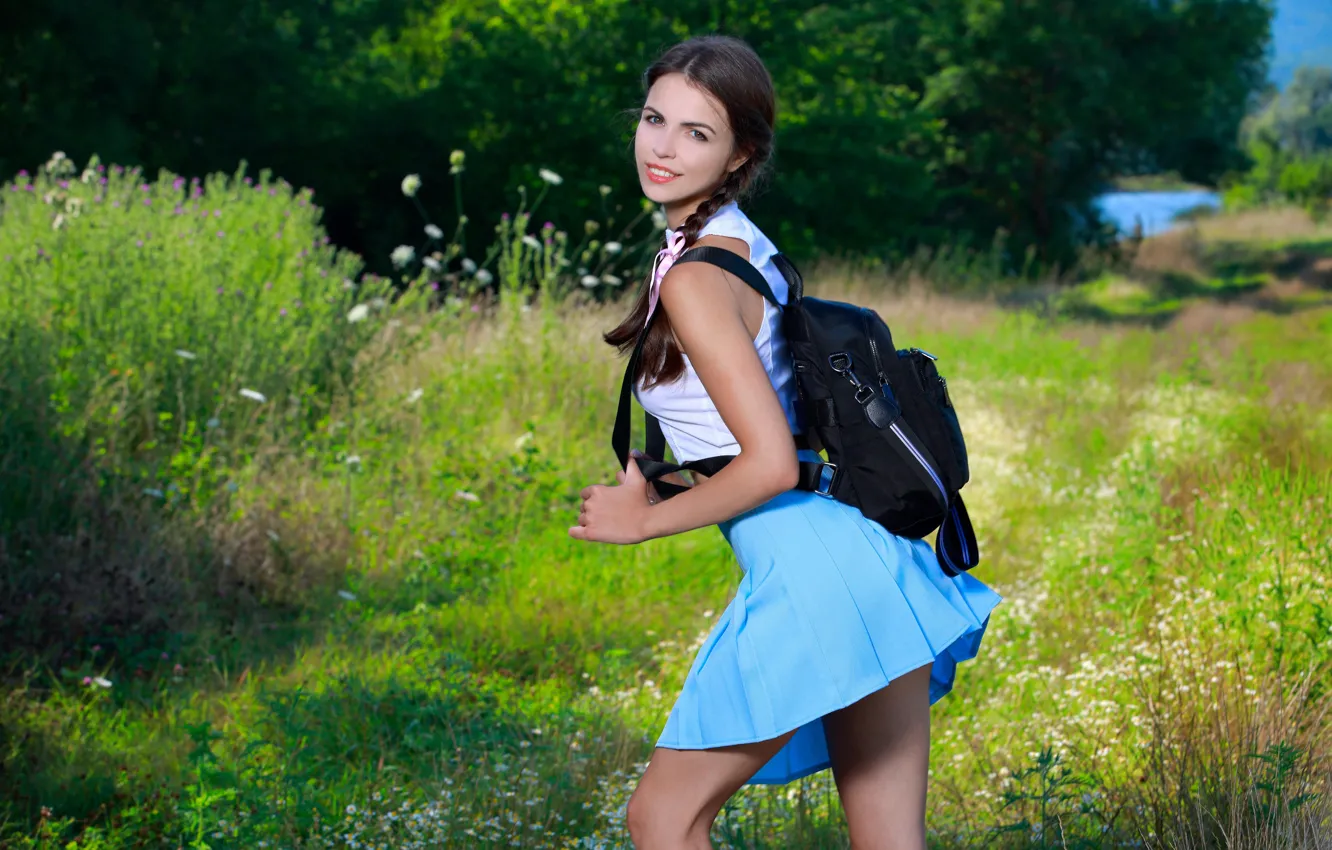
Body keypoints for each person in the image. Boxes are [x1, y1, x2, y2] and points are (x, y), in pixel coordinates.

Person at [569, 34, 1002, 850]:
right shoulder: (744, 248)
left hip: (815, 573)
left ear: (741, 154)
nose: (663, 147)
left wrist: (644, 520)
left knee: (664, 819)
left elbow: (766, 462)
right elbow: (770, 437)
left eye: (697, 133)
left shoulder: (699, 274)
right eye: (655, 118)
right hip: (867, 558)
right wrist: (663, 481)